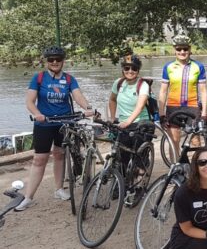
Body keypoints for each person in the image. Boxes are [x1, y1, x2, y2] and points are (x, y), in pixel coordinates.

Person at [16, 46, 95, 211]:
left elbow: (77, 95)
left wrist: (88, 107)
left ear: (62, 61)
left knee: (59, 155)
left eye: (58, 59)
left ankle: (59, 189)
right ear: (46, 61)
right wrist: (37, 114)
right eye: (51, 59)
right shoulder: (38, 78)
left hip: (65, 122)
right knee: (39, 159)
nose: (54, 62)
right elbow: (30, 101)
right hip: (44, 123)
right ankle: (28, 197)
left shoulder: (68, 79)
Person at [108, 54, 155, 205]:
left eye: (133, 68)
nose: (130, 71)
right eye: (126, 68)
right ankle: (122, 184)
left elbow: (140, 105)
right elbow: (112, 99)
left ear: (138, 70)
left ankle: (140, 186)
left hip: (141, 123)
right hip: (123, 124)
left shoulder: (143, 85)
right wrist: (112, 117)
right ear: (122, 69)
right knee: (121, 156)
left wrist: (128, 121)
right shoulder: (119, 83)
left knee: (139, 158)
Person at [158, 34, 207, 161]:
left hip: (192, 107)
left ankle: (195, 170)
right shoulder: (168, 67)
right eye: (179, 49)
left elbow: (203, 91)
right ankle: (176, 169)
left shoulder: (198, 66)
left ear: (190, 50)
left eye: (185, 49)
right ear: (174, 50)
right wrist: (161, 113)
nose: (182, 52)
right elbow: (163, 91)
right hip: (173, 107)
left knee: (195, 142)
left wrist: (204, 113)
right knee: (174, 141)